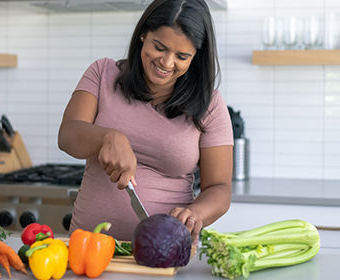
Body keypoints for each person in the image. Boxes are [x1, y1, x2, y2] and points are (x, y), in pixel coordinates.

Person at [58, 0, 233, 243]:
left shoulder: (210, 104)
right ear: (143, 35)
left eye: (182, 56)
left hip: (165, 252)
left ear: (195, 57)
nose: (167, 62)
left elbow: (220, 188)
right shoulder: (102, 73)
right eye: (159, 47)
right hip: (89, 247)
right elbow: (68, 135)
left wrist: (195, 213)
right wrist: (108, 137)